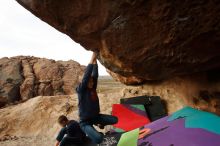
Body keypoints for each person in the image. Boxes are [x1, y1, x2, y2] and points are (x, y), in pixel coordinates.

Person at [76, 52, 118, 144]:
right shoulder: (81, 90)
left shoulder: (92, 88)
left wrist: (95, 62)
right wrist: (92, 58)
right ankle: (92, 134)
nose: (91, 84)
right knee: (99, 138)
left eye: (92, 82)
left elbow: (95, 75)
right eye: (89, 82)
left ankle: (99, 124)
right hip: (85, 122)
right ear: (84, 83)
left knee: (115, 120)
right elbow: (86, 77)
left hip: (96, 117)